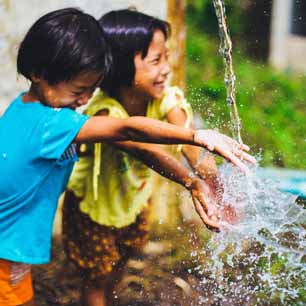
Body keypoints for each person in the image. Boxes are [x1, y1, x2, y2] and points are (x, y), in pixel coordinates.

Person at [0, 7, 255, 306]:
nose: (84, 101)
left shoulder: (25, 109)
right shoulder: (51, 124)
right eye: (79, 90)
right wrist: (197, 135)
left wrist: (202, 179)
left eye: (90, 90)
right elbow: (130, 131)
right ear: (39, 74)